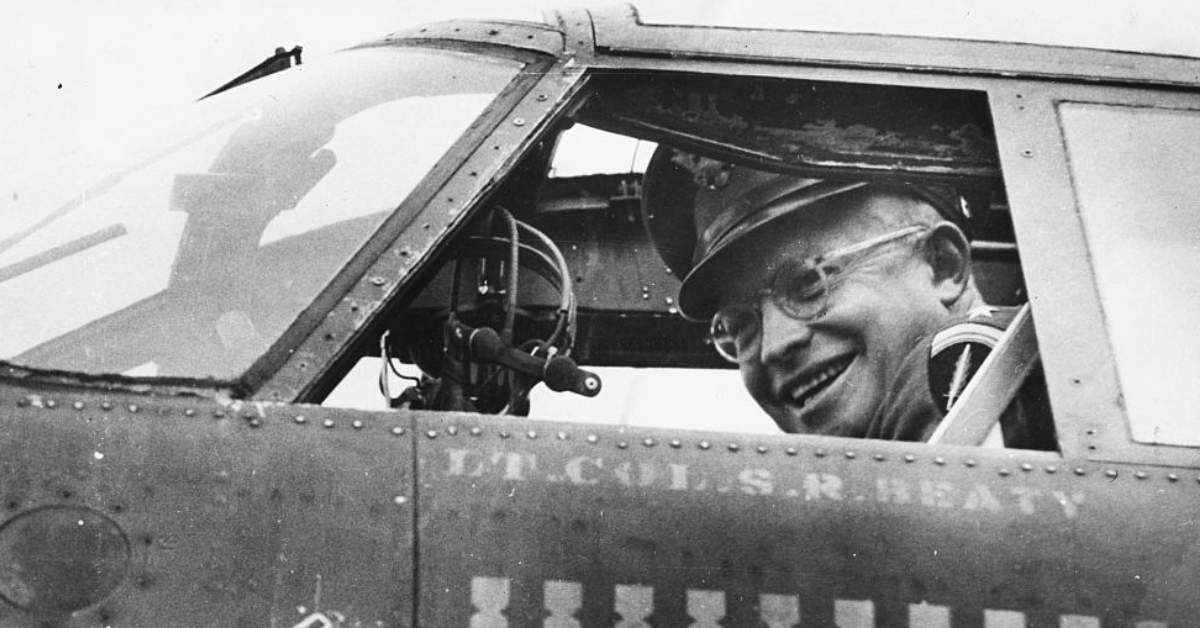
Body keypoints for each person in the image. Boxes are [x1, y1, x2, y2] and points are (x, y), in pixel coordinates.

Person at [643, 149, 1053, 446]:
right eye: (740, 327)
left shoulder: (979, 370)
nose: (773, 346)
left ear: (943, 265)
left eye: (808, 284)